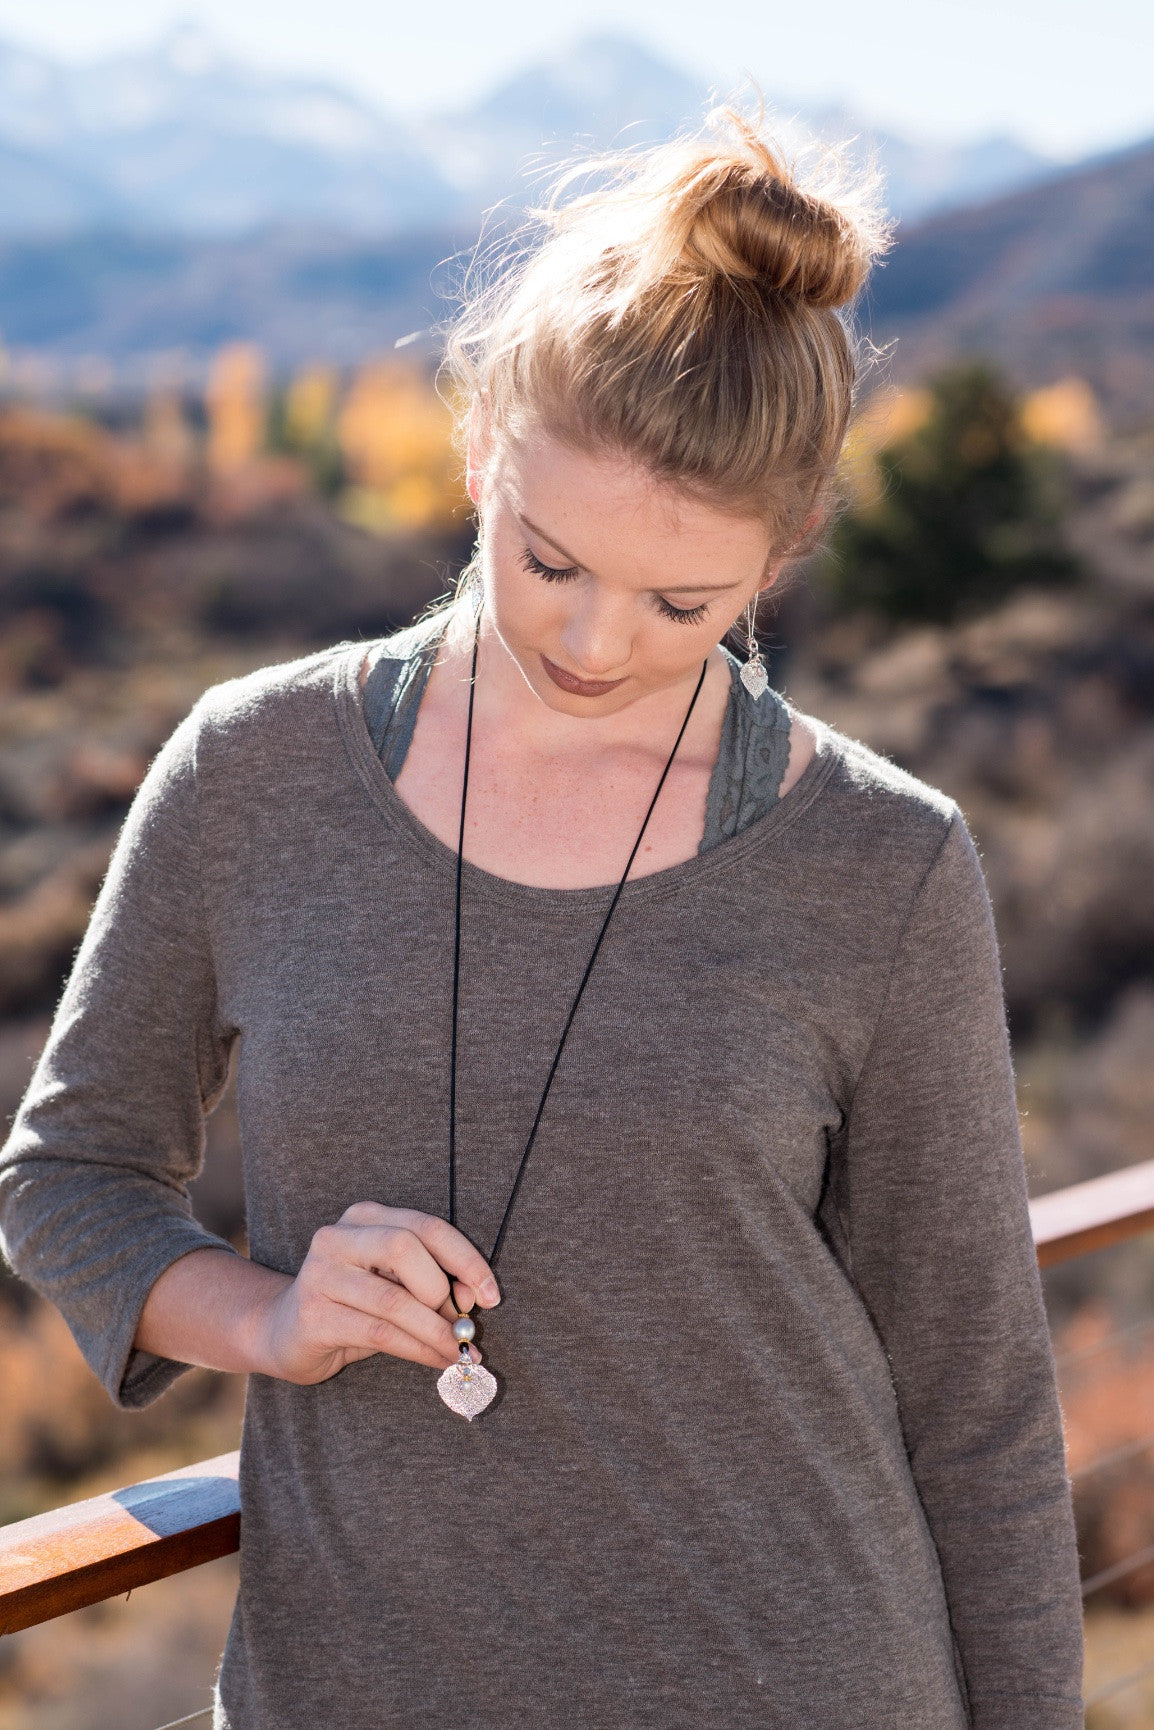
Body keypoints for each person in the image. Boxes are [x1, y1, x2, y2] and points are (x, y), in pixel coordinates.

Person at [0, 102, 1084, 1728]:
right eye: (548, 558)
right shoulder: (254, 768)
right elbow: (69, 1181)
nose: (593, 640)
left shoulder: (884, 863)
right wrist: (272, 1313)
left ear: (782, 556)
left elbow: (975, 1396)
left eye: (680, 602)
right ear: (479, 457)